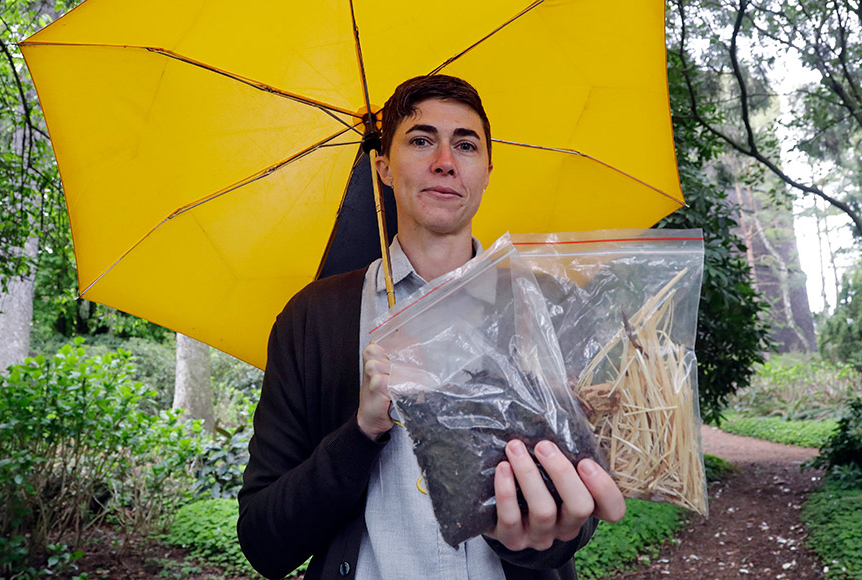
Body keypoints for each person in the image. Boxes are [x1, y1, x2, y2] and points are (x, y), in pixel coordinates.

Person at [238, 75, 626, 580]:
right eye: (421, 140)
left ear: (486, 171)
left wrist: (532, 536)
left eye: (465, 145)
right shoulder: (313, 318)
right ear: (383, 166)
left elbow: (571, 522)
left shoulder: (546, 305)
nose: (445, 160)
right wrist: (361, 431)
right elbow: (265, 543)